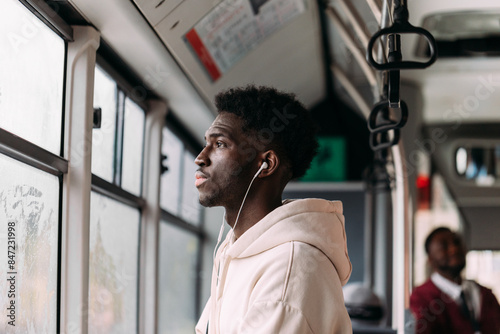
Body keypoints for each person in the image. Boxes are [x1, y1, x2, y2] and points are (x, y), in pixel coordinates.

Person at [194, 85, 352, 333]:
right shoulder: (233, 250)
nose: (201, 157)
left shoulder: (290, 267)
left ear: (265, 164)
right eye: (207, 143)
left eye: (221, 144)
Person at [410, 227, 500, 334]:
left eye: (457, 243)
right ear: (430, 258)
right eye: (444, 246)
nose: (454, 249)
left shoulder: (484, 294)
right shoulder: (421, 297)